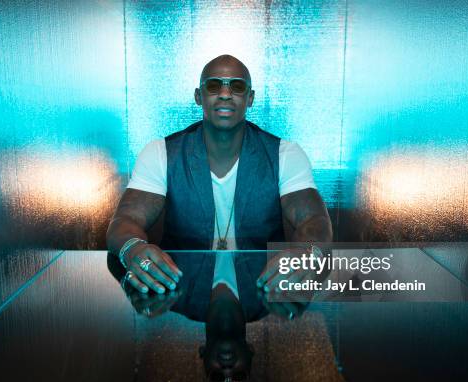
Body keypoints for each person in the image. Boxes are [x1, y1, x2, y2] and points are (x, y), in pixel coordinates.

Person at [107, 54, 332, 294]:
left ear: (250, 98)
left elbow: (314, 220)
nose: (225, 94)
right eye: (214, 86)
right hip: (179, 289)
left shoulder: (285, 154)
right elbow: (125, 221)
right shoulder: (160, 153)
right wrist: (133, 249)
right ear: (198, 96)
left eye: (237, 86)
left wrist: (307, 253)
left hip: (263, 289)